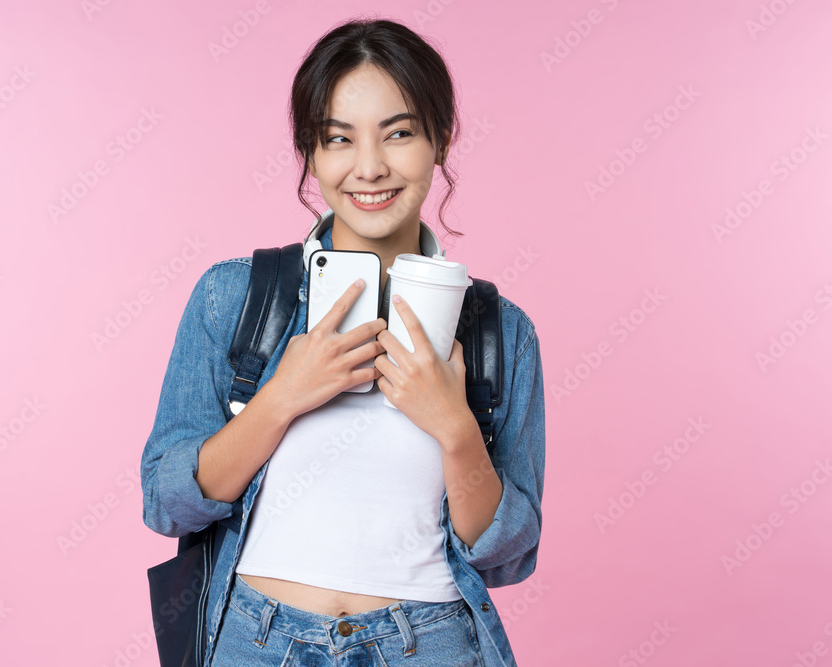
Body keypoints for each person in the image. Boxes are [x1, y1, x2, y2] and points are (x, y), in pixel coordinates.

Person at [141, 17, 545, 667]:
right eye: (338, 138)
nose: (369, 166)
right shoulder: (235, 297)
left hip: (430, 643)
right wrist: (280, 399)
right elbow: (166, 501)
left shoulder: (503, 332)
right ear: (311, 151)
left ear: (441, 139)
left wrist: (456, 427)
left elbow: (507, 555)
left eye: (400, 133)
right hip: (255, 639)